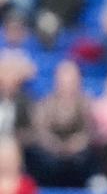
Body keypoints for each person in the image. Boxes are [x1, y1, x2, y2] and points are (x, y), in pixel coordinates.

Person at [23, 59, 99, 188]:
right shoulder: (46, 102)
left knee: (91, 154)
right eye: (63, 78)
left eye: (71, 78)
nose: (67, 82)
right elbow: (40, 130)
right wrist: (55, 145)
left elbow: (90, 131)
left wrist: (77, 144)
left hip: (78, 155)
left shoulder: (87, 102)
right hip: (51, 154)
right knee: (35, 153)